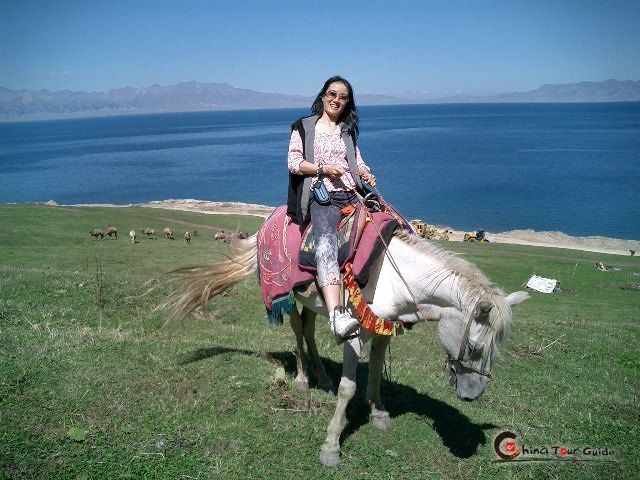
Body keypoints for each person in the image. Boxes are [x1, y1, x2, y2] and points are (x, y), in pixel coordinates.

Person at [287, 76, 376, 343]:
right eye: (332, 94)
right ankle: (337, 314)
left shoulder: (347, 130)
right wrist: (323, 169)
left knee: (387, 220)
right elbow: (293, 162)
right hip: (323, 196)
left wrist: (365, 173)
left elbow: (356, 161)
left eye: (343, 97)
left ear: (348, 103)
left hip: (352, 192)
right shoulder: (304, 127)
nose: (336, 100)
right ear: (323, 96)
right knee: (325, 243)